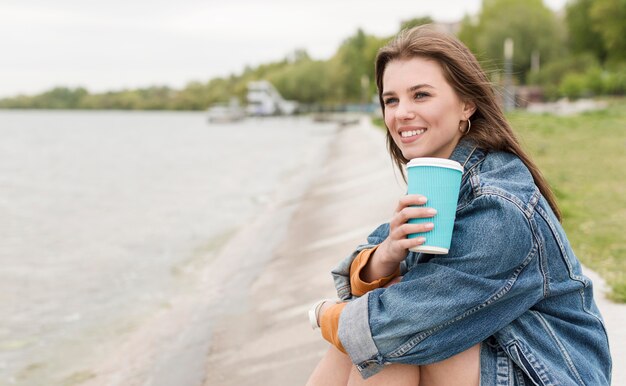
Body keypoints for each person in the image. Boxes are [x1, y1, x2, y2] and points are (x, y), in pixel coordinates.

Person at [306, 25, 611, 386]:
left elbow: (396, 325)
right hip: (497, 354)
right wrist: (387, 253)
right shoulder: (445, 180)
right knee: (380, 344)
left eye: (420, 95)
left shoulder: (499, 206)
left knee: (389, 352)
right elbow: (366, 276)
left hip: (551, 373)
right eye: (391, 100)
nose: (401, 113)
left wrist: (323, 315)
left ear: (466, 104)